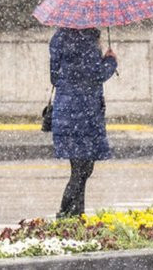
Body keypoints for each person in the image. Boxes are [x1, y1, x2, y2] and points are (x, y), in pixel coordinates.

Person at [49, 27, 117, 218]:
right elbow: (95, 75)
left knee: (79, 168)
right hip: (84, 113)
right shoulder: (85, 40)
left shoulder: (59, 37)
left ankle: (76, 215)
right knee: (83, 169)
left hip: (65, 111)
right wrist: (110, 61)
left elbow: (54, 77)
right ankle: (64, 213)